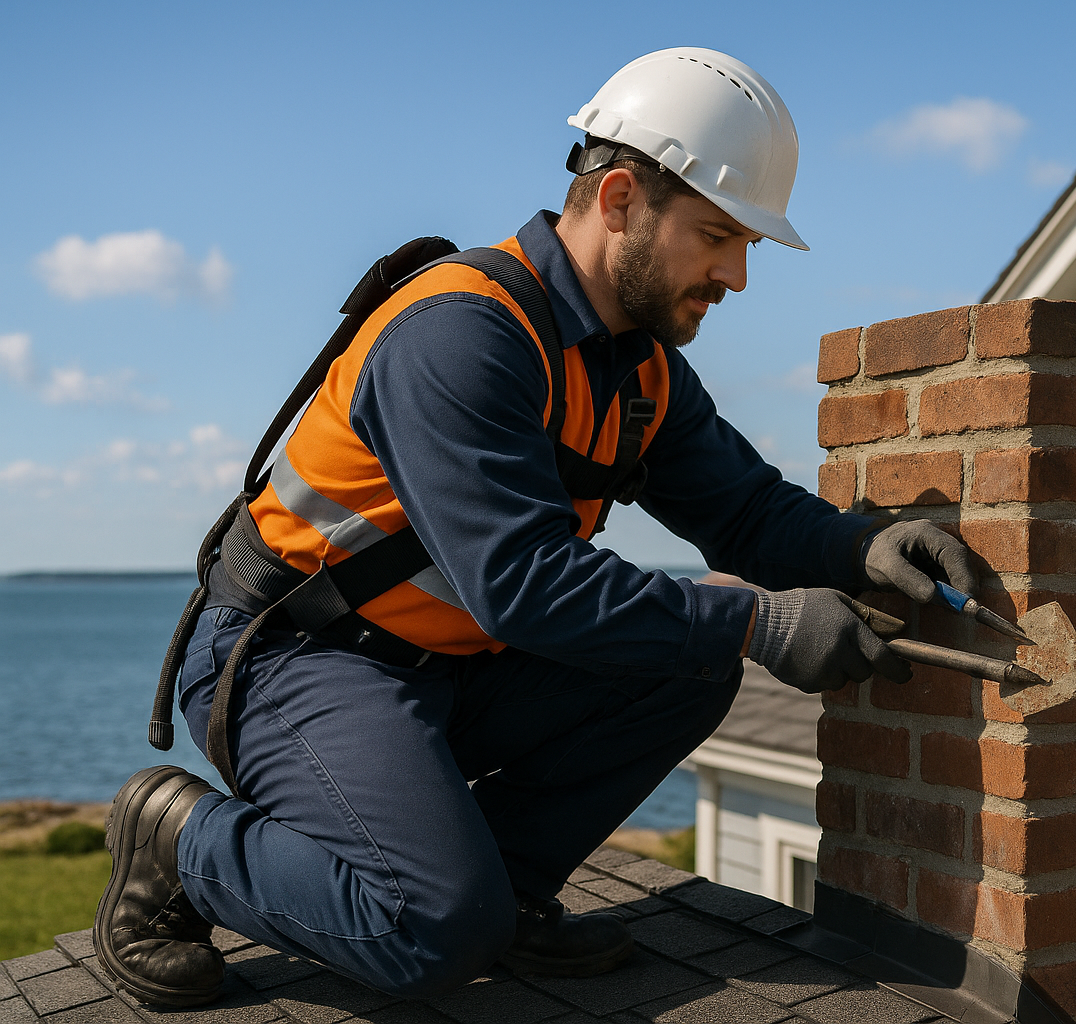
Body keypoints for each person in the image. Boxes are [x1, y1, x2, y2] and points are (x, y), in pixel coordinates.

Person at [93, 47, 977, 1007]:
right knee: (429, 931)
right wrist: (762, 622)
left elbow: (745, 510)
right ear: (621, 200)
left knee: (682, 666)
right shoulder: (459, 333)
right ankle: (182, 843)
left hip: (444, 663)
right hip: (296, 659)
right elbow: (522, 584)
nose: (736, 275)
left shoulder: (637, 370)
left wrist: (861, 548)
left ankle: (505, 898)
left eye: (749, 247)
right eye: (718, 234)